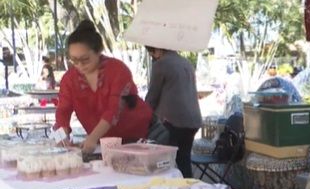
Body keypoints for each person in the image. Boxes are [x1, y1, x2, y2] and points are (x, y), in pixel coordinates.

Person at [55, 20, 153, 154]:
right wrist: (62, 136)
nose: (80, 65)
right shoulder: (69, 78)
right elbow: (63, 110)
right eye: (74, 60)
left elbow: (113, 110)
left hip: (139, 135)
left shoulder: (117, 70)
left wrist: (93, 138)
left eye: (85, 59)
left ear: (99, 51)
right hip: (104, 142)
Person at [145, 46, 202, 178]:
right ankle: (188, 186)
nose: (152, 56)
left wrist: (144, 115)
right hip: (193, 120)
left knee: (163, 164)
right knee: (184, 160)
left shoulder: (160, 64)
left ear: (158, 49)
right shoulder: (186, 63)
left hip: (172, 121)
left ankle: (167, 188)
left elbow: (152, 96)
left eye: (152, 52)